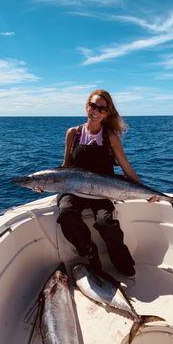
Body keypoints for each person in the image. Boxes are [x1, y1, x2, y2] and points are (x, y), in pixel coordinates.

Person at [57, 89, 142, 277]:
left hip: (101, 192)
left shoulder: (110, 136)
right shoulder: (73, 133)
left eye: (102, 109)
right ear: (87, 106)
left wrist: (145, 191)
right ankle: (88, 252)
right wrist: (45, 184)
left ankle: (120, 259)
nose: (96, 111)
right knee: (66, 213)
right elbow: (66, 166)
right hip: (74, 190)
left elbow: (125, 166)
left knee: (105, 222)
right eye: (93, 106)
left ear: (107, 113)